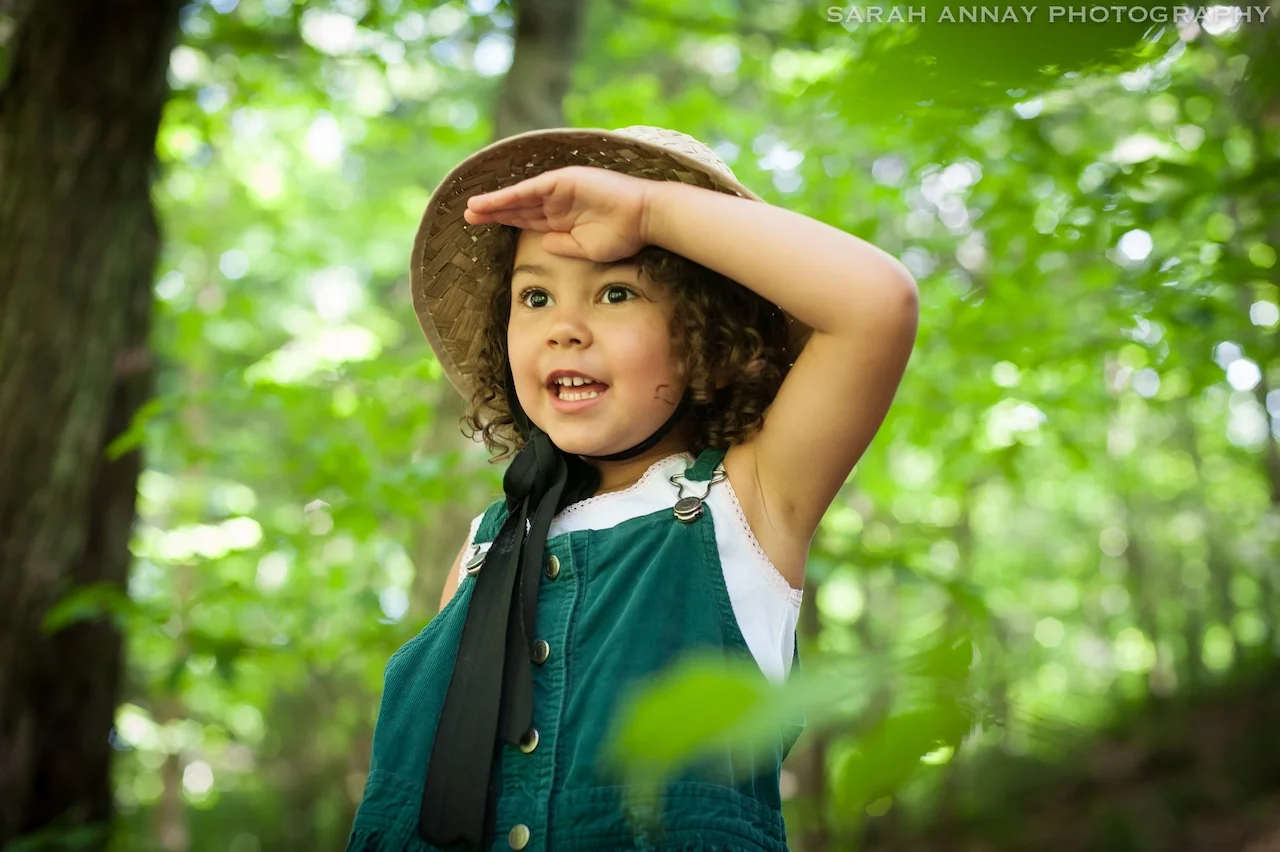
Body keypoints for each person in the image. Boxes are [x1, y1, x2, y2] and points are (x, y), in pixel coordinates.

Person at [347, 126, 918, 851]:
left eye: (616, 292)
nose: (564, 328)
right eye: (534, 297)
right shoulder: (487, 546)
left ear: (707, 333)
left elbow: (877, 305)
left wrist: (647, 212)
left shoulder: (749, 501)